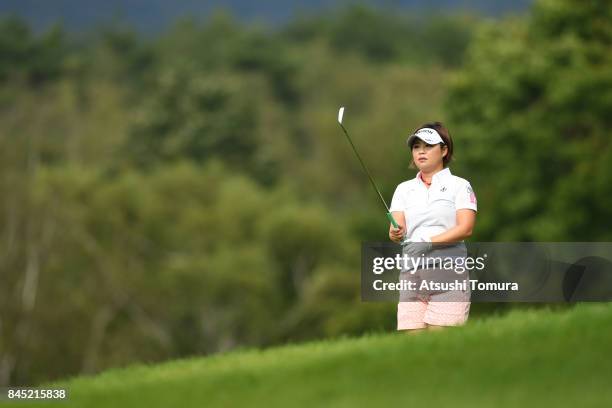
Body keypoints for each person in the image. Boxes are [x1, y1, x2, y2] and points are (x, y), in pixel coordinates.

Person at [388, 122, 477, 332]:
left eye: (428, 146)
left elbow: (466, 228)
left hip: (448, 274)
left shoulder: (460, 186)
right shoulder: (403, 189)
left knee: (443, 345)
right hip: (412, 276)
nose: (421, 151)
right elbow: (397, 230)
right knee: (415, 351)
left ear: (444, 150)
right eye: (417, 146)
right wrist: (395, 232)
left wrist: (427, 243)